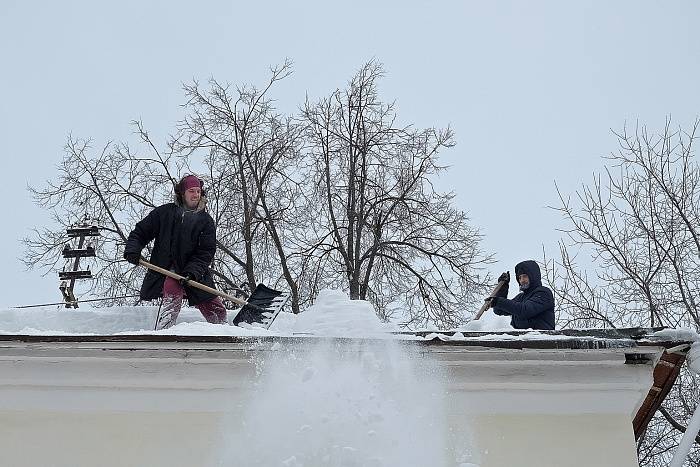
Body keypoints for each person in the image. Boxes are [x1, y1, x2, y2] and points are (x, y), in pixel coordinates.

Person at [123, 174, 227, 329]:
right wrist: (133, 249)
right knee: (172, 290)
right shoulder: (164, 213)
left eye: (198, 191)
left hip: (195, 273)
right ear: (182, 193)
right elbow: (140, 232)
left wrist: (192, 273)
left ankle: (225, 333)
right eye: (192, 191)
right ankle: (165, 330)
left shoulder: (205, 221)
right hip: (167, 269)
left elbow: (206, 252)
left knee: (217, 309)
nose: (196, 195)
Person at [487, 260, 555, 330]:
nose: (522, 280)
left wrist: (498, 301)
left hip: (541, 338)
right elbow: (499, 310)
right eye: (519, 278)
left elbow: (525, 311)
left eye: (525, 276)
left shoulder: (543, 293)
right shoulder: (521, 297)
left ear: (533, 276)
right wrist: (502, 289)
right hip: (522, 338)